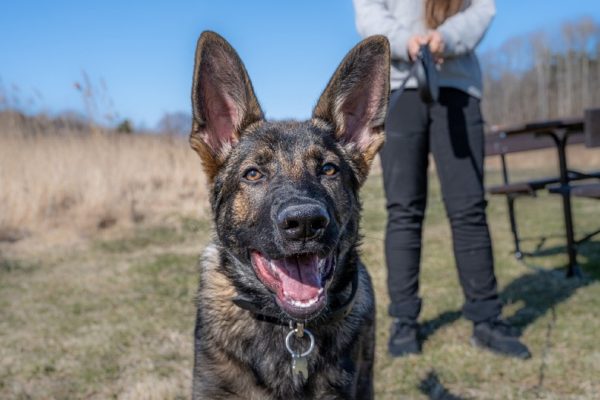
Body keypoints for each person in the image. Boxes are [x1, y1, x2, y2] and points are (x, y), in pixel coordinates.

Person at [353, 0, 531, 359]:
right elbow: (369, 13)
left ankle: (486, 319)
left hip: (457, 90)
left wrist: (445, 38)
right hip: (401, 89)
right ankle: (404, 322)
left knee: (468, 207)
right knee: (403, 209)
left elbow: (483, 9)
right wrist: (407, 42)